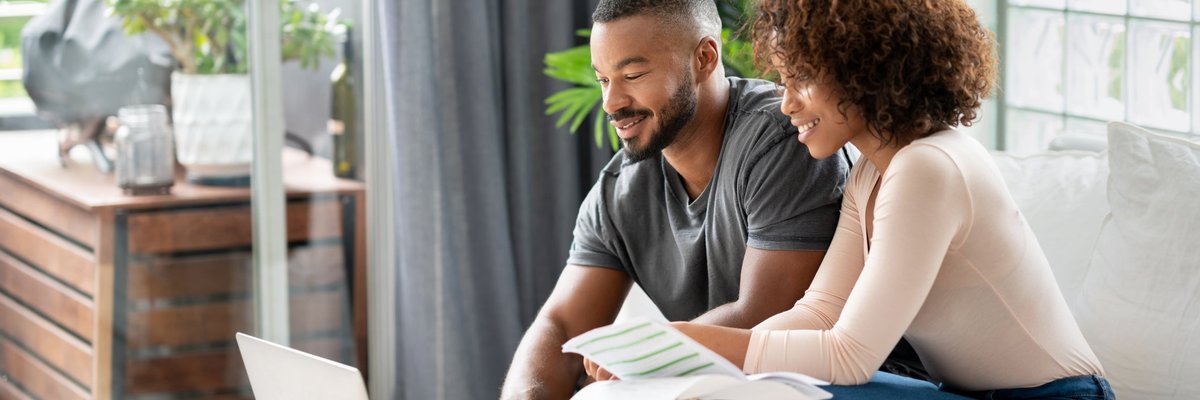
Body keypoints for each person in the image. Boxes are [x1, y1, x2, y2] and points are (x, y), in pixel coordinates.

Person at [630, 0, 1114, 399]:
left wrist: (694, 345)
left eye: (801, 78)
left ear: (863, 68)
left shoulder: (928, 168)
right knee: (751, 384)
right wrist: (692, 351)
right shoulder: (870, 172)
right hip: (972, 394)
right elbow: (819, 313)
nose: (787, 103)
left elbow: (849, 356)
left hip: (1061, 396)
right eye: (783, 80)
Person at [499, 0, 859, 398]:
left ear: (705, 58)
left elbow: (766, 314)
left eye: (633, 75)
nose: (611, 102)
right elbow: (562, 329)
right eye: (603, 80)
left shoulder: (783, 138)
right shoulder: (618, 192)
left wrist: (644, 357)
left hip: (836, 380)